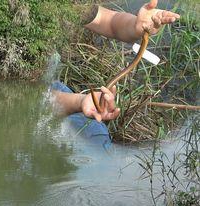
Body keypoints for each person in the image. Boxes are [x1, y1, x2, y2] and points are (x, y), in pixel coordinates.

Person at [51, 0, 180, 147]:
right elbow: (29, 102)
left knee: (96, 137)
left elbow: (109, 21)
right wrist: (77, 102)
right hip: (31, 101)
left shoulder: (62, 4)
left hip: (49, 91)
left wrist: (137, 26)